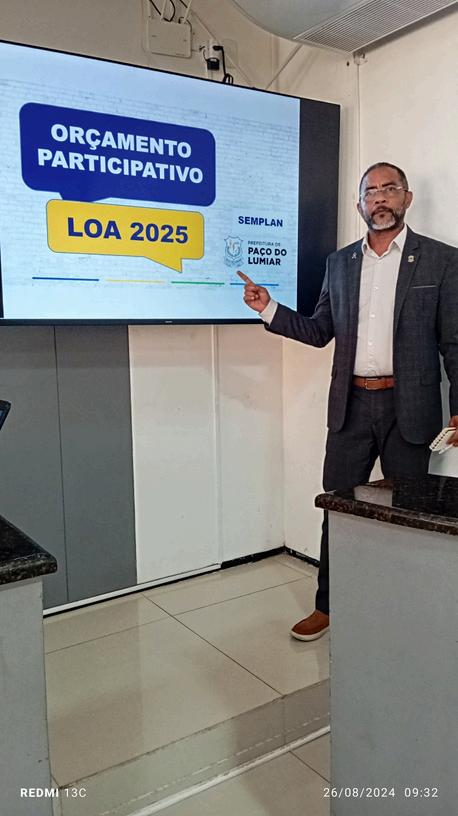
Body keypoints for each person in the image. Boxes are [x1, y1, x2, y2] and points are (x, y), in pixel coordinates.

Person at [238, 162, 458, 641]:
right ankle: (328, 606)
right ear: (360, 204)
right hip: (350, 407)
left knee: (408, 514)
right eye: (370, 191)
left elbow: (454, 343)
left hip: (410, 409)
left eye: (389, 189)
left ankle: (404, 612)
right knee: (337, 507)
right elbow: (320, 331)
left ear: (407, 198)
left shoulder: (442, 260)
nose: (379, 198)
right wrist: (268, 308)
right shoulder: (339, 264)